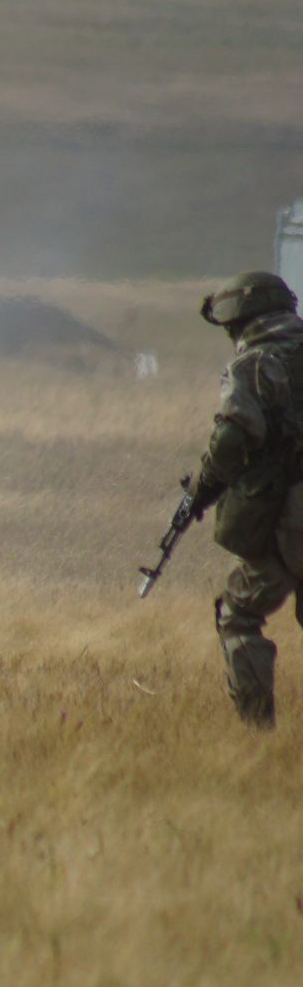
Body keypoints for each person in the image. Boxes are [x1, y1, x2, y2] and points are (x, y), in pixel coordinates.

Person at [186, 271, 303, 728]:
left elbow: (233, 437)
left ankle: (257, 733)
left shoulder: (253, 366)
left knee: (238, 615)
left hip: (287, 518)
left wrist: (204, 488)